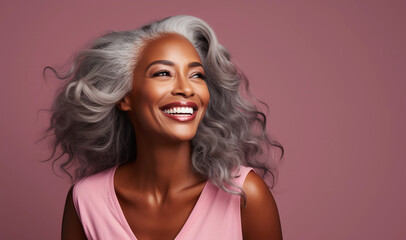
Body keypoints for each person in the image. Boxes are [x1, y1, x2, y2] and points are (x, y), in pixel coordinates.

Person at [45, 15, 284, 240]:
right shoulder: (86, 201)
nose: (187, 89)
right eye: (163, 73)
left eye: (196, 75)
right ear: (124, 96)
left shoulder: (244, 195)